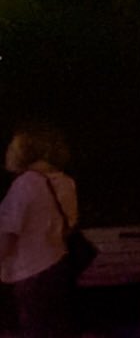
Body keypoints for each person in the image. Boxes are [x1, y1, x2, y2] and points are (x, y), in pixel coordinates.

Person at [0, 123, 78, 337]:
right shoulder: (66, 182)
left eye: (12, 147)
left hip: (28, 272)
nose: (7, 152)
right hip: (56, 265)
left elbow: (7, 234)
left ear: (28, 151)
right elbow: (69, 226)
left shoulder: (25, 184)